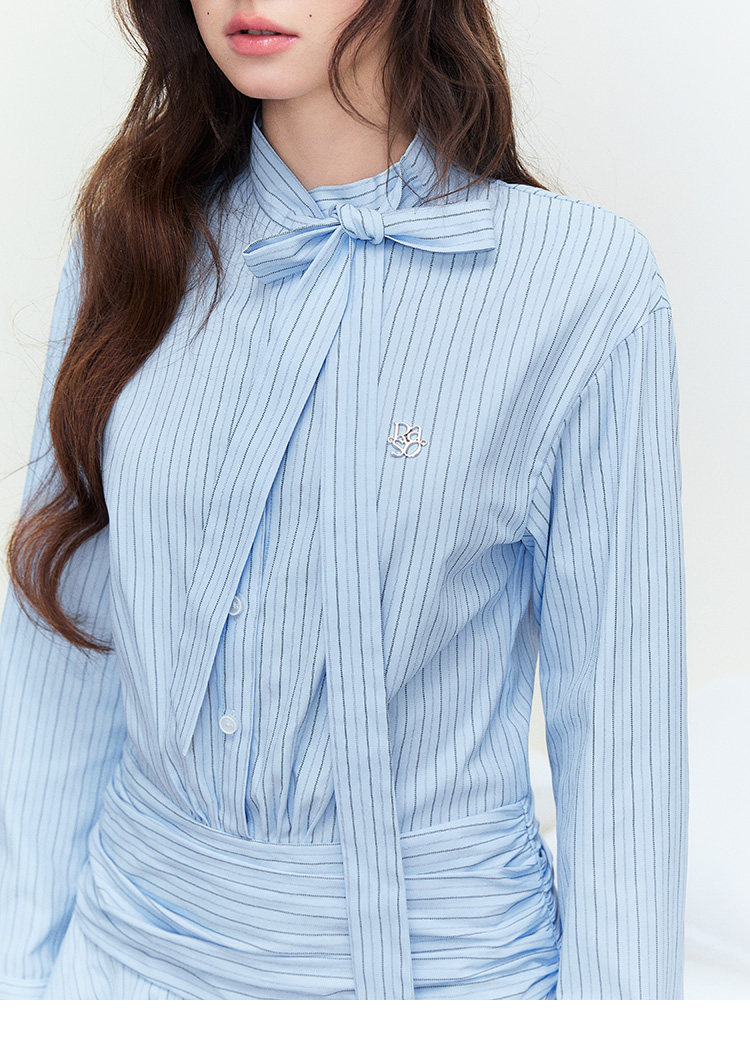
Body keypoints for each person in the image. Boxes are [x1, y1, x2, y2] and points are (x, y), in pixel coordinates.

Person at [0, 0, 688, 1001]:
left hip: (441, 985)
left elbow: (623, 747)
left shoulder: (582, 285)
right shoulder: (135, 236)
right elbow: (59, 661)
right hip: (123, 970)